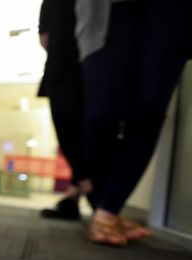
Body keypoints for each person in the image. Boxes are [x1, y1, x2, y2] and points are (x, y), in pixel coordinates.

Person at [76, 0, 191, 245]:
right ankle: (101, 203)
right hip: (106, 9)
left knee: (150, 106)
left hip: (171, 9)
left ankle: (108, 210)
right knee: (100, 115)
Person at [38, 0, 90, 220]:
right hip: (63, 65)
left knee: (86, 128)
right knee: (66, 125)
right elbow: (45, 38)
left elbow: (45, 38)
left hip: (87, 64)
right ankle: (81, 183)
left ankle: (82, 186)